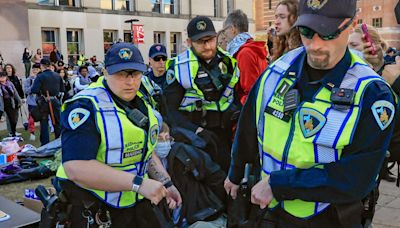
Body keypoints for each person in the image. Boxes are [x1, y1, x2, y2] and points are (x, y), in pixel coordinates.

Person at [224, 0, 397, 227]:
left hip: (328, 216)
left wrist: (280, 185)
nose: (314, 45)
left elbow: (356, 177)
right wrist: (236, 172)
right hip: (269, 212)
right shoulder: (276, 71)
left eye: (327, 34)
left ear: (352, 24)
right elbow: (250, 125)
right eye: (307, 31)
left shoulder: (371, 92)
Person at [54, 42, 182, 227]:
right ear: (105, 72)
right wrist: (139, 184)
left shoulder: (142, 103)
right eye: (121, 74)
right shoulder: (85, 107)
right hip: (94, 205)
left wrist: (166, 183)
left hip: (134, 203)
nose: (130, 81)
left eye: (135, 74)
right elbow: (76, 167)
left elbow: (146, 150)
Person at [164, 16, 240, 173]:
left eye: (210, 40)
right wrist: (196, 131)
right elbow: (169, 112)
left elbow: (235, 94)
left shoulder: (227, 62)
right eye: (200, 41)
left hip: (227, 134)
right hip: (197, 137)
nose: (207, 46)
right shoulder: (179, 68)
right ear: (189, 42)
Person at [222, 9, 268, 104]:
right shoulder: (250, 48)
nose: (224, 35)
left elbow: (250, 92)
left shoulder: (244, 53)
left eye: (224, 30)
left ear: (233, 28)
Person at [31, 58, 64, 145]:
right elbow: (62, 89)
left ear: (42, 66)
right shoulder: (57, 75)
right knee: (57, 122)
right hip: (55, 101)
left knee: (44, 122)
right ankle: (59, 141)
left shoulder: (40, 76)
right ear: (49, 65)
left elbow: (34, 90)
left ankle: (45, 144)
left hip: (44, 102)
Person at [0, 71, 22, 137]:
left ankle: (13, 132)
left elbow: (15, 93)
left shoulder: (10, 83)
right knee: (5, 118)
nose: (2, 78)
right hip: (2, 103)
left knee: (13, 119)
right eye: (1, 77)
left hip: (10, 102)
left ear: (6, 77)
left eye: (4, 76)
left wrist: (19, 101)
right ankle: (12, 132)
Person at [24, 63, 41, 141]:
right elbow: (26, 91)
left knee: (42, 118)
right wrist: (33, 84)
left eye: (37, 69)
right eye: (34, 69)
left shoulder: (42, 78)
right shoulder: (28, 79)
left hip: (40, 102)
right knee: (31, 119)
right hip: (31, 102)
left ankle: (42, 132)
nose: (35, 71)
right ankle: (32, 133)